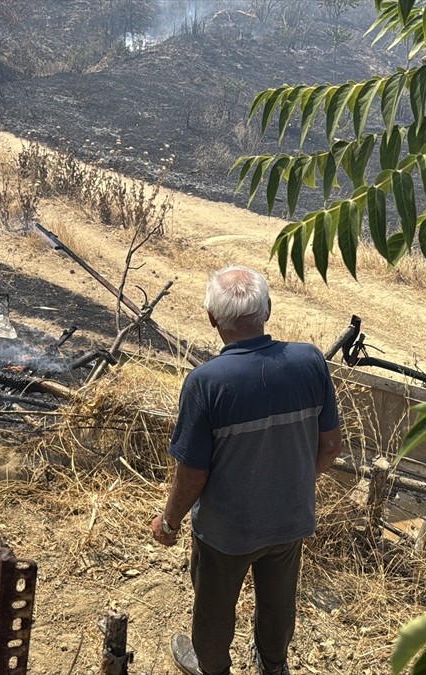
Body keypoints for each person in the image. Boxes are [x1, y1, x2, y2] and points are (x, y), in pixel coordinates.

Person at [150, 266, 343, 675]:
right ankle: (273, 666)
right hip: (291, 521)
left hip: (226, 533)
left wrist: (169, 523)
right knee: (279, 604)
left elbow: (192, 476)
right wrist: (289, 485)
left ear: (211, 319)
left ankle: (213, 666)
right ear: (267, 309)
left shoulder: (206, 383)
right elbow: (329, 447)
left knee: (213, 614)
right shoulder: (310, 361)